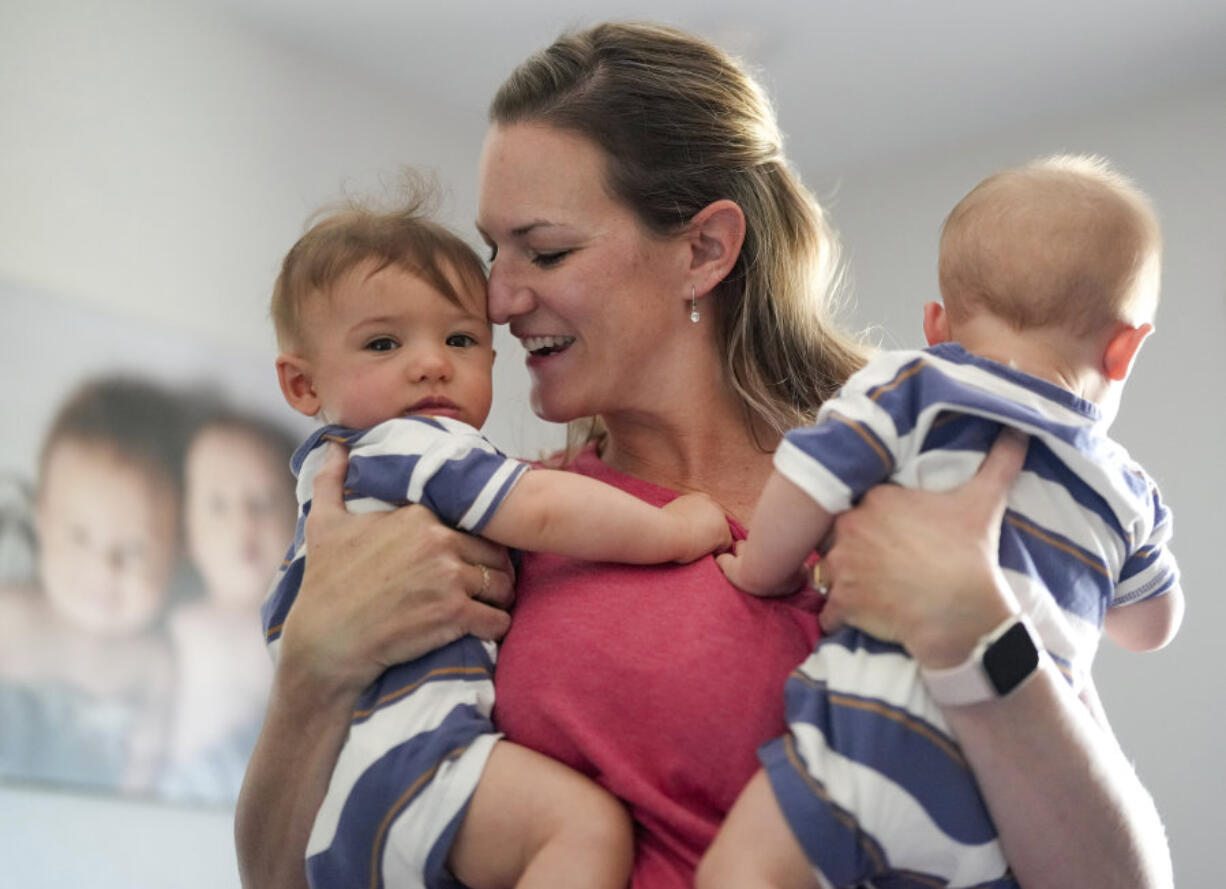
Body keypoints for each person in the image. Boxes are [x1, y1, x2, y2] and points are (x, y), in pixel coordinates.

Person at [236, 23, 1176, 889]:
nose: (496, 300)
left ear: (705, 249)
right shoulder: (501, 518)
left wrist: (979, 628)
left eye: (545, 251)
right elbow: (280, 871)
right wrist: (313, 671)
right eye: (494, 252)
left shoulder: (905, 473)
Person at [705, 155, 1184, 888]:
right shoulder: (1127, 488)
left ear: (938, 325)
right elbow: (1152, 628)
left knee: (740, 874)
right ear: (1126, 348)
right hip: (1001, 804)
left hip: (872, 732)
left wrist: (758, 570)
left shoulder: (917, 385)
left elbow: (808, 479)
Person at [263, 186, 732, 889]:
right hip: (415, 757)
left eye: (458, 339)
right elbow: (538, 508)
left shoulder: (340, 477)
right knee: (580, 828)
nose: (431, 363)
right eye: (384, 343)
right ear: (302, 385)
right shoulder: (406, 444)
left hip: (350, 799)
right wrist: (671, 527)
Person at [0, 376, 185, 794]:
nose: (104, 567)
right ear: (42, 523)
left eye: (135, 548)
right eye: (79, 537)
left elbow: (145, 782)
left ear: (175, 553)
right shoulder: (10, 616)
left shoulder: (154, 665)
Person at [160, 406, 298, 804]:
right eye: (218, 505)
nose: (243, 520)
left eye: (264, 501)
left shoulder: (305, 617)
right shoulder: (182, 624)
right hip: (199, 782)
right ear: (185, 533)